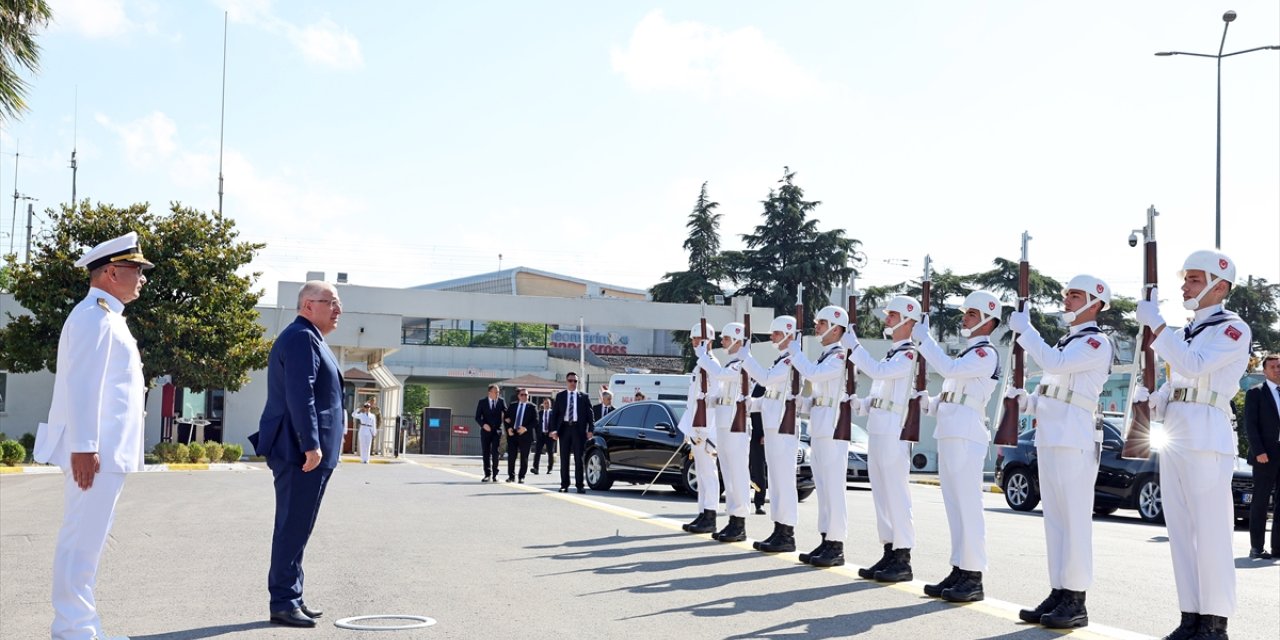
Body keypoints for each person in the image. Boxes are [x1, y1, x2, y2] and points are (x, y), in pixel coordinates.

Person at [33, 232, 153, 640]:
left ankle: (83, 627)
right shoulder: (92, 317)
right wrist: (84, 447)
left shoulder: (108, 316)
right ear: (111, 272)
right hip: (93, 453)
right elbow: (82, 384)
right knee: (81, 540)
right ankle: (73, 630)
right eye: (136, 270)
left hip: (105, 451)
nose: (142, 278)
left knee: (89, 541)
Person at [1135, 251, 1251, 640]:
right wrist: (1156, 397)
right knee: (1181, 531)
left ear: (1220, 286)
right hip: (1177, 434)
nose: (1185, 285)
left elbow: (1197, 365)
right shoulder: (1186, 331)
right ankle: (1191, 615)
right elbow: (1181, 379)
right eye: (1185, 279)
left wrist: (1157, 328)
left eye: (1195, 279)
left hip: (1206, 436)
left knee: (1211, 532)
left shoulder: (1232, 329)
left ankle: (1214, 622)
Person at [1007, 275, 1113, 630]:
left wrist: (1027, 331)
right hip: (1051, 436)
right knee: (1054, 520)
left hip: (1075, 439)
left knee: (1074, 521)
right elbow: (1053, 390)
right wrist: (1027, 402)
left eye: (1075, 295)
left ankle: (1076, 598)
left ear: (1095, 303)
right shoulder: (1068, 342)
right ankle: (1058, 590)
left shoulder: (1096, 342)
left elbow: (1054, 364)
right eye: (1066, 294)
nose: (1066, 300)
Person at [251, 280, 346, 628]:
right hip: (298, 450)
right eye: (331, 302)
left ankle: (293, 595)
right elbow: (300, 394)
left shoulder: (311, 338)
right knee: (292, 524)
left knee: (299, 524)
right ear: (308, 305)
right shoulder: (302, 337)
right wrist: (311, 443)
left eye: (338, 303)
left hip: (305, 449)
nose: (338, 310)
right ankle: (283, 601)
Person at [912, 291, 1002, 602]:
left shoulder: (984, 353)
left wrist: (925, 342)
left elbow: (949, 372)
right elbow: (953, 394)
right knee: (954, 507)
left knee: (968, 507)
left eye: (972, 314)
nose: (964, 318)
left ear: (989, 321)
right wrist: (930, 404)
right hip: (950, 431)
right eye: (965, 313)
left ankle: (973, 575)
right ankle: (959, 568)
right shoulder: (967, 355)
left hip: (966, 435)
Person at [845, 296, 920, 581]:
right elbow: (882, 388)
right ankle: (889, 551)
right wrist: (863, 404)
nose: (887, 319)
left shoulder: (909, 354)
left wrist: (855, 346)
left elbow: (879, 372)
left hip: (894, 430)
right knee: (881, 493)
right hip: (879, 427)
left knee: (896, 494)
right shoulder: (892, 353)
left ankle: (903, 557)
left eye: (892, 315)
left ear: (907, 320)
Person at [788, 305, 851, 568]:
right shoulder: (826, 356)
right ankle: (826, 539)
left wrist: (795, 353)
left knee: (833, 489)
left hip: (834, 428)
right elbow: (817, 391)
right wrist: (804, 402)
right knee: (823, 487)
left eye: (822, 323)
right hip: (821, 426)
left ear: (837, 328)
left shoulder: (839, 357)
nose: (818, 327)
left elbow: (813, 375)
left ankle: (836, 545)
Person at [741, 315, 801, 553]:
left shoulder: (790, 361)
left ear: (787, 334)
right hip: (773, 425)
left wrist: (746, 356)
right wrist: (749, 404)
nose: (771, 337)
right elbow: (769, 396)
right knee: (776, 481)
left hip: (783, 427)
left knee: (784, 482)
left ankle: (787, 532)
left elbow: (765, 380)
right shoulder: (781, 360)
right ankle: (779, 529)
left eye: (775, 334)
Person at [696, 321, 752, 542]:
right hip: (725, 426)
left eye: (726, 339)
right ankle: (733, 520)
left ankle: (740, 522)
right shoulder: (732, 364)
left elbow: (720, 375)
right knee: (728, 475)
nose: (722, 341)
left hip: (737, 427)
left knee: (738, 475)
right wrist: (713, 399)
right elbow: (723, 389)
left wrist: (703, 356)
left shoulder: (741, 364)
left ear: (738, 341)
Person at [678, 322, 720, 534]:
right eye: (693, 339)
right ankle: (703, 512)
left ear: (709, 341)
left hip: (706, 429)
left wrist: (708, 431)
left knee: (708, 473)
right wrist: (690, 429)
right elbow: (694, 402)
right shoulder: (699, 365)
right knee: (702, 474)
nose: (695, 343)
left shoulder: (711, 364)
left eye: (699, 339)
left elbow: (714, 399)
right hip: (696, 428)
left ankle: (710, 514)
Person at [1243, 354, 1280, 560]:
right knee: (1261, 501)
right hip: (1265, 455)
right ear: (1264, 371)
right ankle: (1256, 547)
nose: (1277, 369)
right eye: (1272, 366)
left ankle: (1278, 547)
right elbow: (1250, 425)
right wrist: (1259, 452)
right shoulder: (1255, 393)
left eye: (1279, 366)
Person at [551, 372, 594, 493]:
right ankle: (564, 484)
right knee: (564, 459)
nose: (573, 383)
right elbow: (554, 415)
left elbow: (590, 414)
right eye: (570, 381)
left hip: (578, 430)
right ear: (566, 382)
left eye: (575, 381)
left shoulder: (583, 397)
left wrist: (591, 429)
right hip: (564, 429)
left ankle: (580, 485)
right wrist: (554, 430)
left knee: (579, 459)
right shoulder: (560, 396)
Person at [474, 384, 506, 482]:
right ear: (489, 392)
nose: (497, 394)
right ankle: (487, 474)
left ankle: (495, 474)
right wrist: (483, 425)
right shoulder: (482, 402)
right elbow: (477, 417)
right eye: (495, 392)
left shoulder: (501, 401)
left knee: (495, 452)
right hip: (486, 431)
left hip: (496, 431)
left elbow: (506, 412)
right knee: (486, 453)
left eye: (498, 392)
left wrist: (509, 419)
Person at [505, 390, 538, 483]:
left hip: (525, 435)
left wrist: (526, 428)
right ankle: (511, 476)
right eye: (522, 395)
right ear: (518, 396)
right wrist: (508, 428)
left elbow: (536, 421)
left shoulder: (532, 407)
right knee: (511, 456)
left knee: (524, 457)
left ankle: (521, 476)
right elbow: (506, 418)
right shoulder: (512, 406)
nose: (524, 396)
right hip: (513, 434)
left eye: (526, 395)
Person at [748, 383, 768, 516]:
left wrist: (764, 433)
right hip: (743, 432)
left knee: (759, 470)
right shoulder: (742, 383)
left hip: (757, 434)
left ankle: (759, 502)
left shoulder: (762, 386)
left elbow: (765, 412)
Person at [532, 398, 556, 475]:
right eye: (545, 403)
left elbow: (556, 424)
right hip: (541, 435)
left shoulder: (553, 413)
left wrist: (553, 432)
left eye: (548, 403)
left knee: (550, 452)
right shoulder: (540, 413)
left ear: (550, 404)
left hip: (550, 436)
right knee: (537, 452)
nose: (546, 405)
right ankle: (536, 468)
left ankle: (550, 468)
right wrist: (537, 433)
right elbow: (536, 424)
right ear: (543, 404)